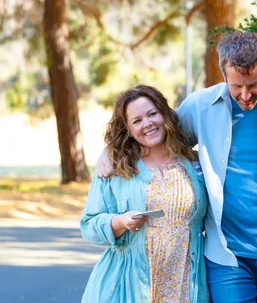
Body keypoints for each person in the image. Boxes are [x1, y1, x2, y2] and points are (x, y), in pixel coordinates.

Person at [96, 31, 257, 302]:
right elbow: (155, 133)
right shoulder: (200, 107)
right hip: (226, 255)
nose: (246, 95)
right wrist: (110, 150)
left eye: (254, 84)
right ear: (223, 73)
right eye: (236, 86)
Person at [81, 85, 210, 303]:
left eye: (152, 114)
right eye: (137, 120)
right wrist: (120, 222)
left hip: (186, 283)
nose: (147, 124)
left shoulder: (194, 162)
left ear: (165, 114)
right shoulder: (116, 167)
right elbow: (89, 225)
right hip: (130, 285)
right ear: (128, 129)